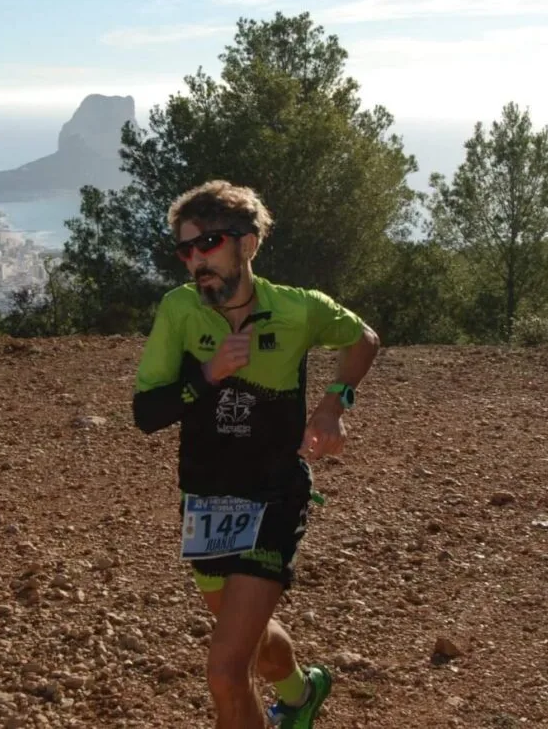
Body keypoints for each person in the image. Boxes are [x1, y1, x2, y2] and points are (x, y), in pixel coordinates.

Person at [132, 180, 380, 728]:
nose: (196, 261)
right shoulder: (178, 311)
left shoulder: (298, 309)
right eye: (185, 250)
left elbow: (362, 339)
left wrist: (333, 406)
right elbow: (146, 413)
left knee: (225, 671)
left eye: (210, 243)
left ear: (248, 244)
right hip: (205, 500)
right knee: (250, 643)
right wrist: (207, 373)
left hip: (273, 494)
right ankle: (301, 692)